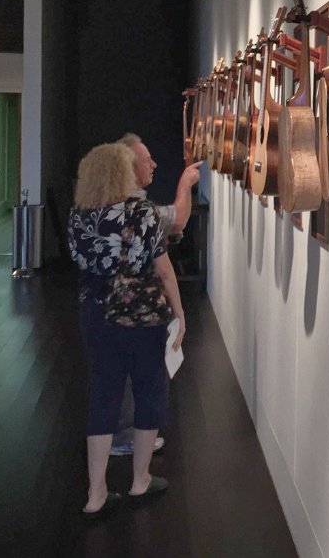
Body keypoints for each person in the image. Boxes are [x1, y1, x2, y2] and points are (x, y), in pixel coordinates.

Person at [68, 143, 186, 519]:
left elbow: (78, 259)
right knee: (149, 389)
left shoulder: (79, 215)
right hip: (140, 314)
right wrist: (180, 314)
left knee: (103, 394)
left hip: (96, 311)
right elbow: (163, 269)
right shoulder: (142, 212)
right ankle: (139, 480)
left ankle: (96, 493)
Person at [109, 133, 202, 456]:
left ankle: (118, 440)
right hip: (134, 306)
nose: (154, 163)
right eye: (147, 159)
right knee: (140, 374)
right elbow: (177, 222)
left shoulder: (101, 203)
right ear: (130, 166)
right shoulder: (136, 209)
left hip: (104, 306)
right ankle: (127, 442)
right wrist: (185, 184)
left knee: (117, 371)